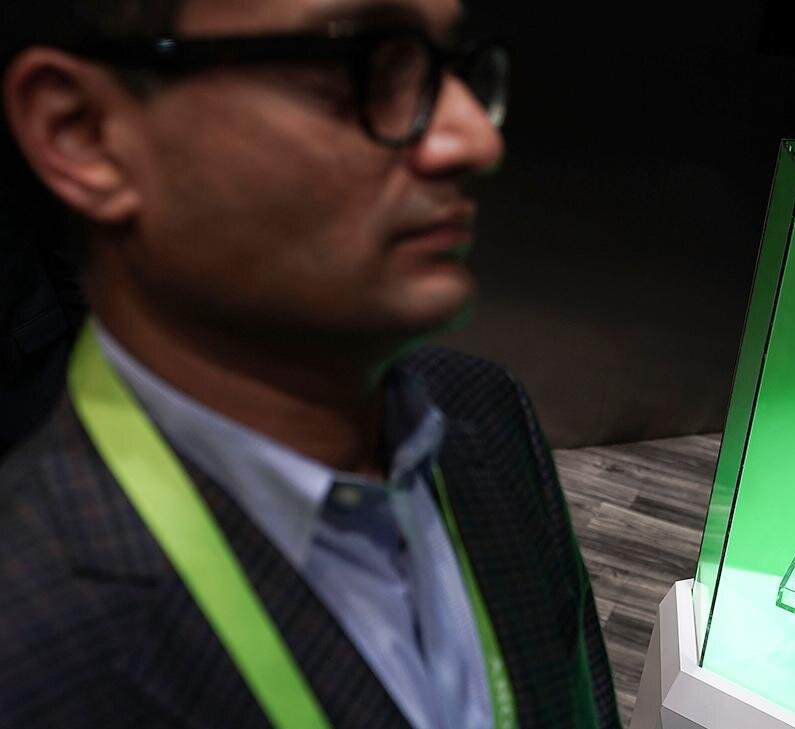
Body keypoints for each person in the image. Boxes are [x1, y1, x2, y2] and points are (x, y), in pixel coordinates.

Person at [0, 0, 619, 727]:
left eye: (453, 66)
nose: (473, 139)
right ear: (84, 134)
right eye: (358, 66)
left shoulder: (486, 413)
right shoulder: (33, 655)